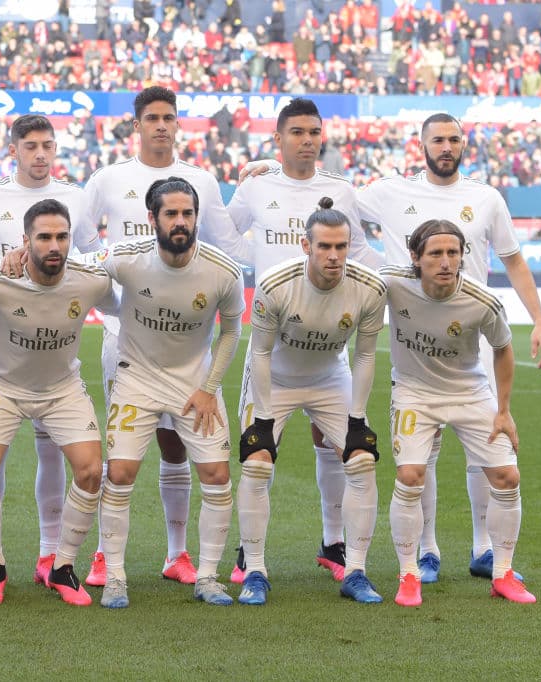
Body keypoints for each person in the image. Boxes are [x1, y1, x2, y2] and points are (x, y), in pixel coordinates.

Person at [357, 113, 541, 584]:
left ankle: (484, 547)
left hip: (474, 337)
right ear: (421, 145)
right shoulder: (389, 192)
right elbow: (332, 201)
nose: (447, 147)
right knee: (423, 455)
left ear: (464, 145)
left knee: (484, 451)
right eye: (438, 140)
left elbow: (514, 261)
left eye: (454, 140)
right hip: (417, 342)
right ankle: (427, 550)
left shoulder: (486, 198)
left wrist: (540, 320)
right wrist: (270, 166)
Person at [81, 86, 249, 587]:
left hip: (188, 343)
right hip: (126, 338)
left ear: (178, 125)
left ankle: (179, 554)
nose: (161, 125)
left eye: (169, 118)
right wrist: (119, 304)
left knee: (179, 446)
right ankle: (103, 556)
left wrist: (258, 186)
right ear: (136, 125)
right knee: (124, 455)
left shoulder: (202, 179)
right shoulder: (109, 178)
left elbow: (227, 241)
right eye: (151, 117)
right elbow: (88, 244)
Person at [227, 97, 382, 585]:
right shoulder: (256, 187)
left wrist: (403, 285)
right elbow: (225, 240)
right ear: (278, 138)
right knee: (259, 457)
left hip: (328, 349)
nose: (307, 140)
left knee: (340, 448)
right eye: (296, 132)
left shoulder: (341, 190)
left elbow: (361, 254)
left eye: (314, 131)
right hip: (273, 342)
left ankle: (335, 543)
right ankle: (249, 555)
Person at [0, 199, 117, 606]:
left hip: (62, 388)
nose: (54, 245)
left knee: (92, 471)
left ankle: (62, 567)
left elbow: (129, 307)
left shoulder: (90, 281)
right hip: (3, 387)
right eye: (44, 237)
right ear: (25, 241)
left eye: (62, 236)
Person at [0, 114, 99, 590]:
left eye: (48, 145)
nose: (41, 154)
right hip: (0, 343)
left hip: (56, 346)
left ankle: (50, 555)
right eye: (32, 146)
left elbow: (91, 255)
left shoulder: (75, 197)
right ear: (14, 149)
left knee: (53, 455)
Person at [96, 177, 245, 609]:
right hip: (136, 380)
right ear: (152, 219)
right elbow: (78, 265)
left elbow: (233, 330)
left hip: (193, 386)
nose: (180, 222)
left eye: (187, 213)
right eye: (171, 214)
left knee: (217, 476)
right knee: (120, 473)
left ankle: (208, 577)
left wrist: (209, 389)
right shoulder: (126, 258)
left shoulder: (222, 270)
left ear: (196, 217)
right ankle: (117, 578)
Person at [381, 219, 535, 606]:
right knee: (410, 474)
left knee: (507, 475)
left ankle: (502, 574)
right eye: (436, 253)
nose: (447, 261)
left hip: (469, 391)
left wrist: (504, 411)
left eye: (454, 252)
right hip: (414, 392)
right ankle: (408, 575)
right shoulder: (392, 284)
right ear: (415, 257)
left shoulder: (482, 300)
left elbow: (503, 349)